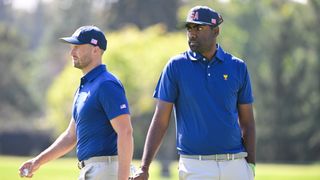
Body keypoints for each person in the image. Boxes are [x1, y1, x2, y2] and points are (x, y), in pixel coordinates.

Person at [133, 6, 256, 180]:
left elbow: (248, 122)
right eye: (189, 28)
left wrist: (250, 165)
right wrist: (144, 167)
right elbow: (160, 120)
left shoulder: (237, 67)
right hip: (195, 166)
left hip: (235, 165)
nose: (192, 33)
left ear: (216, 31)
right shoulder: (176, 66)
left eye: (199, 28)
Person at [19, 26, 134, 180]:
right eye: (72, 47)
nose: (72, 52)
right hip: (90, 171)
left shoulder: (106, 84)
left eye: (77, 47)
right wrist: (37, 161)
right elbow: (70, 136)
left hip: (106, 170)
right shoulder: (83, 88)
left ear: (95, 49)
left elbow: (125, 132)